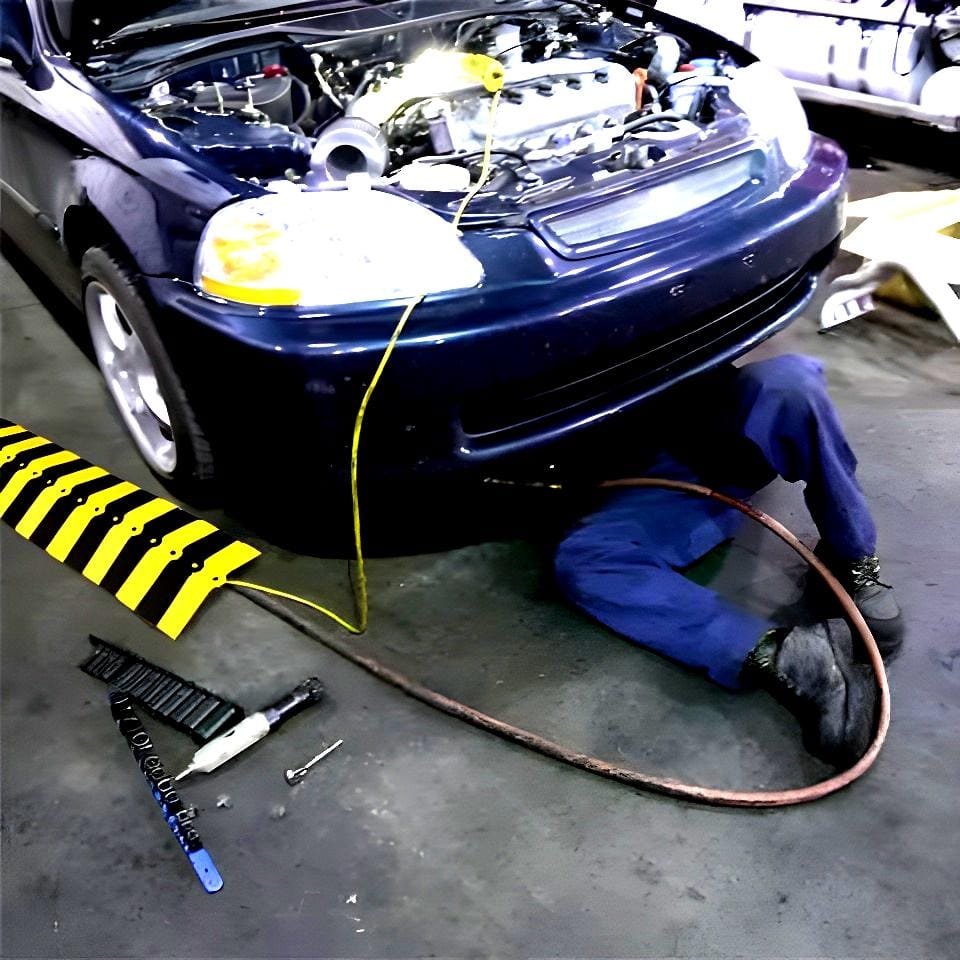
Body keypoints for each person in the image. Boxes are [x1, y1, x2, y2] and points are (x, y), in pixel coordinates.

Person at [554, 354, 902, 768]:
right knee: (586, 561)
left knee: (789, 382)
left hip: (716, 428)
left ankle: (850, 556)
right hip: (637, 474)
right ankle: (789, 656)